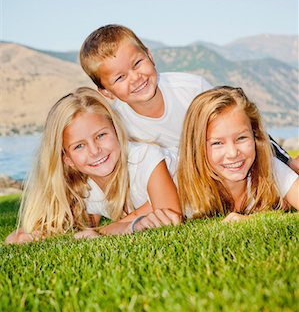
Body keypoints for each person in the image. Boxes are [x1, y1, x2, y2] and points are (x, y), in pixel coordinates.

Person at [80, 24, 298, 173]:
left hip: (226, 157)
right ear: (106, 92)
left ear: (150, 56)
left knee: (283, 170)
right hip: (188, 177)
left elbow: (236, 125)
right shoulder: (119, 123)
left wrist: (283, 162)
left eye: (137, 63)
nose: (135, 78)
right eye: (120, 77)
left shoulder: (191, 88)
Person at [5, 87, 182, 245]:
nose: (95, 150)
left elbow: (169, 214)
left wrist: (104, 231)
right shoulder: (88, 188)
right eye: (79, 146)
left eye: (101, 135)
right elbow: (78, 228)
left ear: (116, 130)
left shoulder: (145, 158)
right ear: (67, 159)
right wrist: (39, 233)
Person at [176, 86, 298, 221]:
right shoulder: (181, 185)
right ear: (195, 147)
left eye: (241, 138)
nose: (233, 153)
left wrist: (250, 221)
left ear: (255, 134)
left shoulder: (270, 169)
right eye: (217, 143)